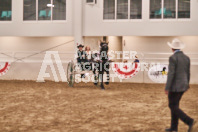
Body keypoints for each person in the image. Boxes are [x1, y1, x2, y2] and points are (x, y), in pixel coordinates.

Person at [165, 39, 196, 132]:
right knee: (175, 106)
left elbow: (171, 74)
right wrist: (187, 84)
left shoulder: (172, 58)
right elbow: (188, 72)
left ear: (172, 48)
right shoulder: (187, 58)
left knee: (172, 106)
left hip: (175, 87)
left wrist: (167, 87)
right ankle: (174, 128)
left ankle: (189, 121)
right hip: (183, 85)